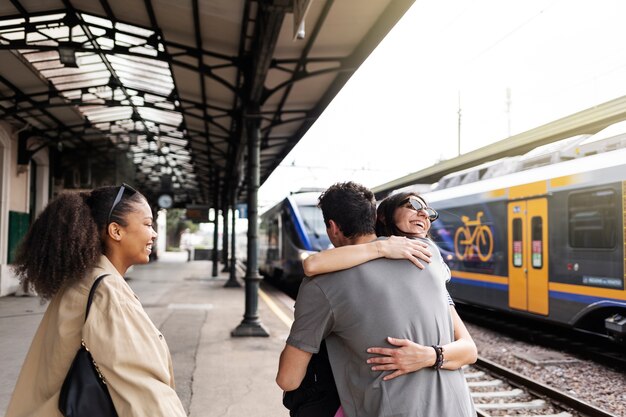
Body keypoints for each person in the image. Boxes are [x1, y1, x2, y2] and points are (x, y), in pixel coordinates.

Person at [276, 182, 476, 417]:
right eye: (413, 206)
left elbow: (288, 379)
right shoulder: (426, 253)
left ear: (332, 227)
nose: (422, 214)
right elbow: (469, 350)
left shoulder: (321, 283)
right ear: (374, 217)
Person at [6, 184, 186, 417]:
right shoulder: (108, 292)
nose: (153, 234)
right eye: (147, 224)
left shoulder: (84, 279)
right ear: (116, 231)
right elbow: (144, 392)